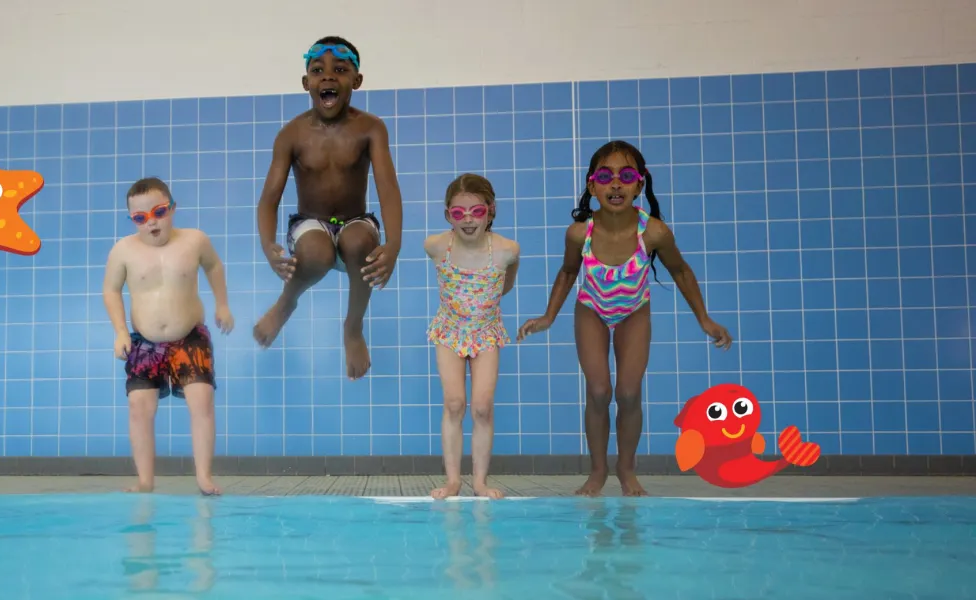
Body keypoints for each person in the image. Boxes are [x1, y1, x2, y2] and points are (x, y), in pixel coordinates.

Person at [517, 140, 733, 497]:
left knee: (629, 393)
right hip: (592, 310)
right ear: (592, 186)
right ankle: (598, 470)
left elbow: (680, 272)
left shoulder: (654, 232)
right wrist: (548, 316)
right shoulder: (579, 233)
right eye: (605, 176)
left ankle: (626, 468)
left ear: (639, 185)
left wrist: (704, 319)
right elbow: (569, 273)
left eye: (626, 175)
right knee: (599, 391)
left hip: (634, 311)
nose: (615, 184)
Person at [252, 35, 404, 380]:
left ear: (357, 80)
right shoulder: (291, 135)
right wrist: (268, 245)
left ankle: (352, 327)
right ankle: (286, 301)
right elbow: (269, 198)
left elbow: (388, 188)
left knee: (358, 243)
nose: (329, 76)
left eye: (341, 69)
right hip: (311, 223)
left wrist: (393, 244)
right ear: (306, 83)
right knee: (318, 253)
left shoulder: (371, 128)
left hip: (356, 221)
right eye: (318, 70)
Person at [103, 177, 234, 495]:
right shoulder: (123, 250)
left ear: (173, 208)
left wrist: (222, 305)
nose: (151, 222)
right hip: (144, 342)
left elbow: (214, 266)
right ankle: (145, 481)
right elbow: (111, 289)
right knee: (139, 407)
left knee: (201, 400)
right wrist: (120, 330)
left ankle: (203, 476)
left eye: (159, 211)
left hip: (189, 336)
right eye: (140, 217)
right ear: (133, 219)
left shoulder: (194, 240)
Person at [424, 174, 520, 500]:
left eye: (476, 212)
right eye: (458, 213)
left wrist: (485, 308)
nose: (467, 220)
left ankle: (479, 481)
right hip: (449, 330)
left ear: (490, 211)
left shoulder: (506, 250)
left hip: (486, 331)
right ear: (447, 213)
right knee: (454, 403)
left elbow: (506, 284)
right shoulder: (436, 246)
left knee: (481, 406)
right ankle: (453, 481)